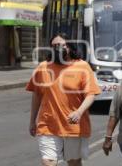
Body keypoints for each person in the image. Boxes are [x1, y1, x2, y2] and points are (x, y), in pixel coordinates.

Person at [27, 33, 101, 166]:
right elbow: (37, 95)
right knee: (48, 162)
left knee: (73, 162)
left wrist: (79, 112)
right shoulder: (43, 67)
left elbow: (91, 94)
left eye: (63, 45)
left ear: (70, 46)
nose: (59, 48)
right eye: (55, 45)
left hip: (72, 126)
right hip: (47, 125)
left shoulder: (82, 66)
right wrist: (32, 121)